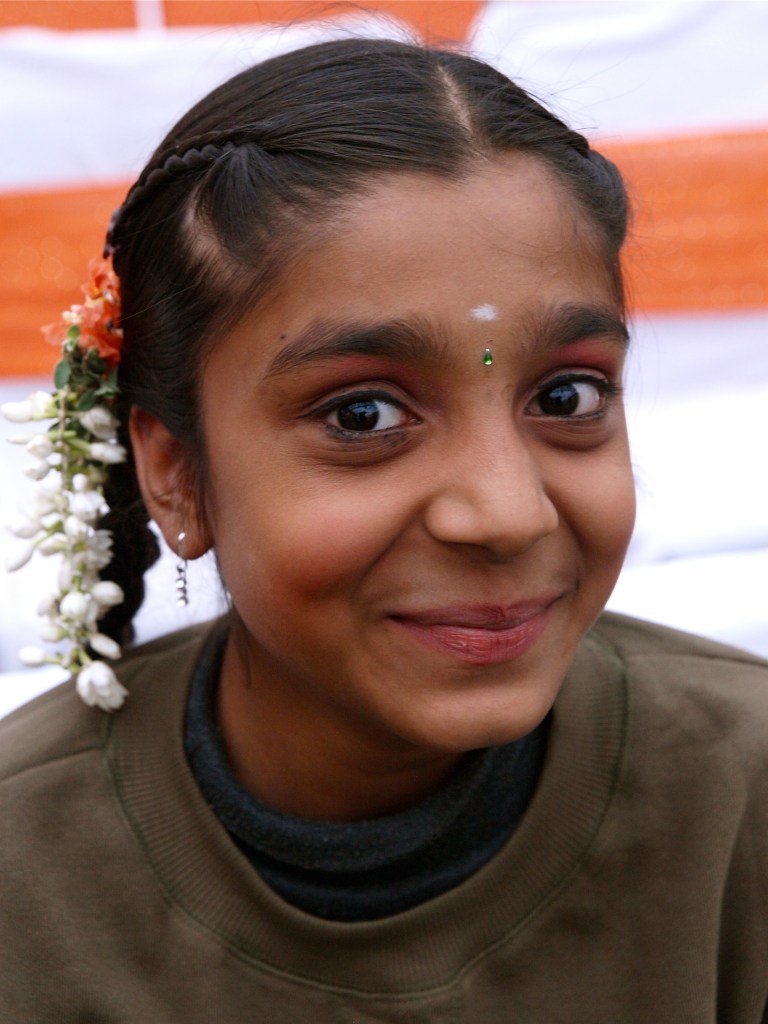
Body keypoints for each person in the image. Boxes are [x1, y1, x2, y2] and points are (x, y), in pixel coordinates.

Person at [1, 37, 767, 1023]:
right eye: (362, 415)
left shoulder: (742, 803)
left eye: (566, 396)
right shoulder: (24, 882)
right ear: (177, 476)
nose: (507, 512)